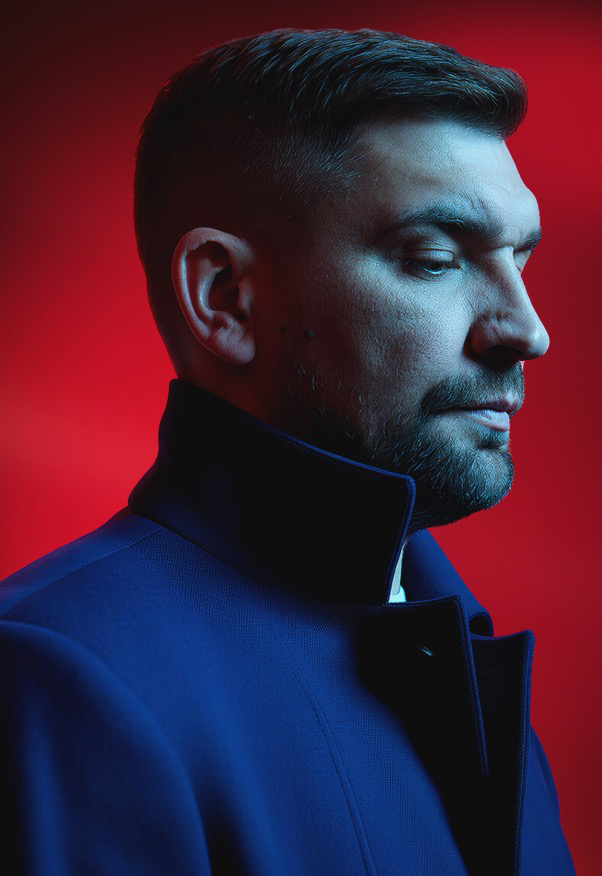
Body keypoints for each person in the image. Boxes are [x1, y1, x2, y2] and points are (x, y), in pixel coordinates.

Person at [0, 28, 575, 875]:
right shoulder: (58, 677)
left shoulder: (456, 652)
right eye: (436, 259)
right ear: (224, 297)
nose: (528, 330)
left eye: (520, 257)